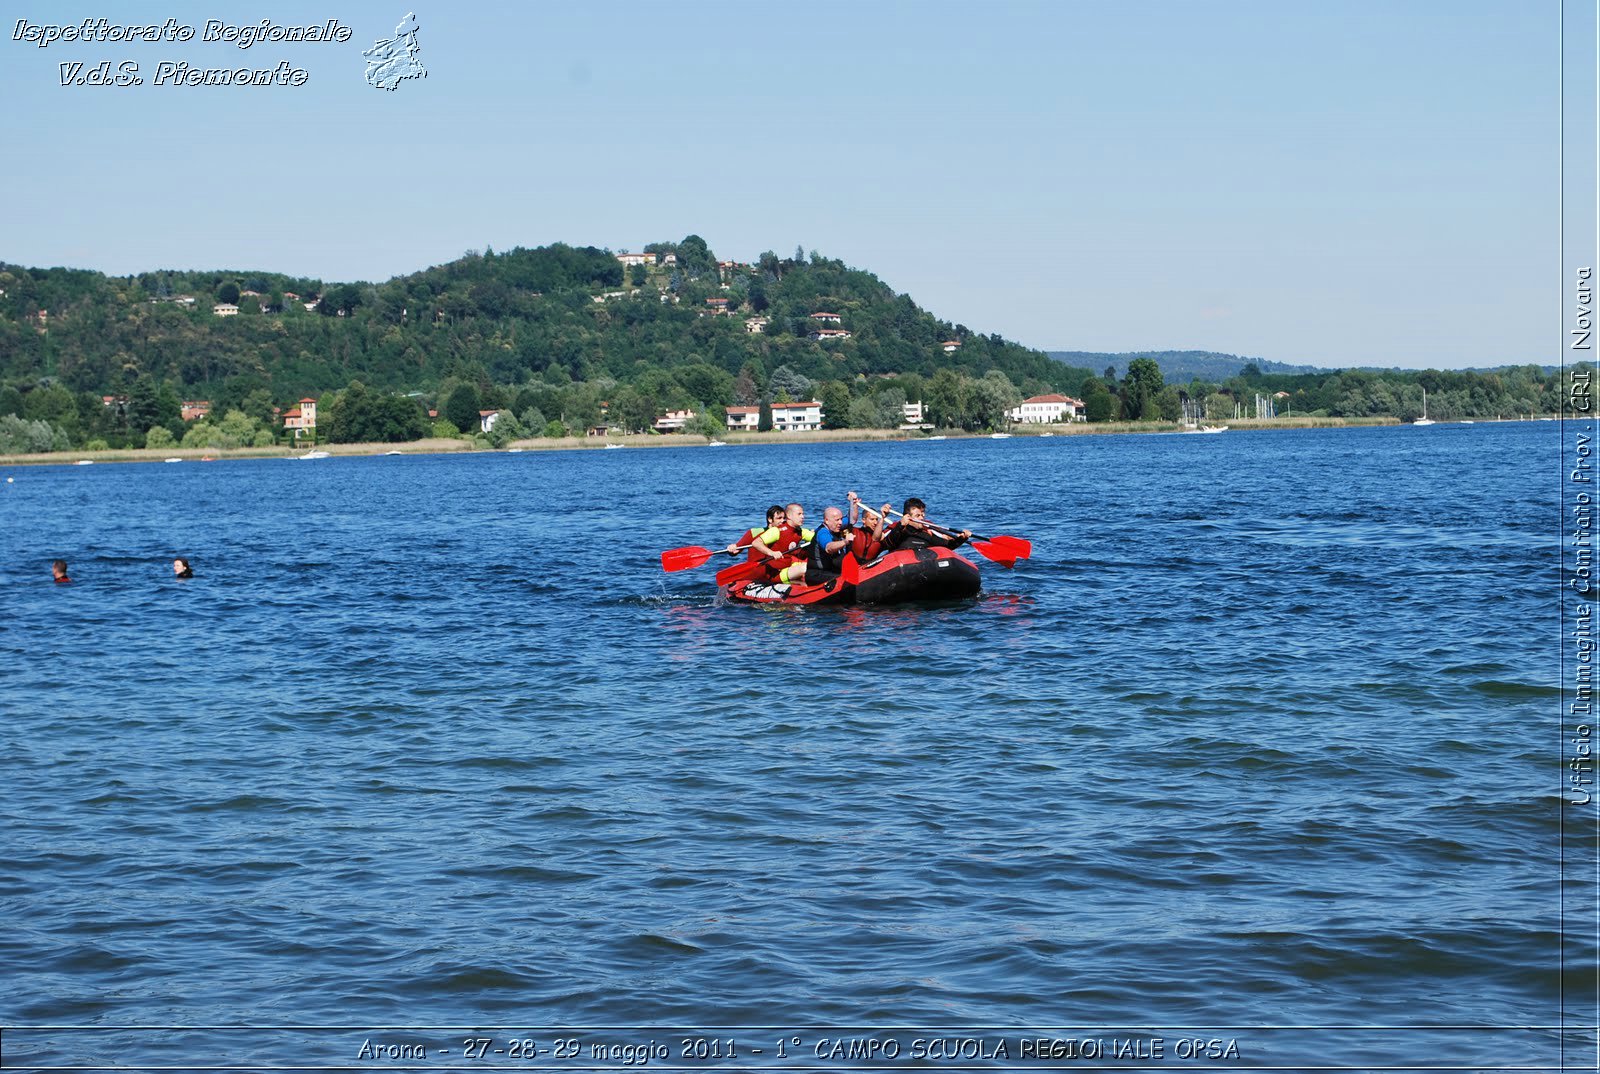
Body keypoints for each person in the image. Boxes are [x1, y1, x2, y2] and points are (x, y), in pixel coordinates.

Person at [880, 497, 971, 552]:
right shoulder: (899, 530)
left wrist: (961, 539)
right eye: (917, 515)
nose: (921, 518)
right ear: (908, 517)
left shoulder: (926, 533)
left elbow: (947, 546)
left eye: (922, 515)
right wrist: (900, 525)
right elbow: (887, 542)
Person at [805, 504, 853, 584]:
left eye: (841, 519)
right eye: (837, 520)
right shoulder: (822, 533)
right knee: (845, 579)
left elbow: (852, 519)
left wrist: (853, 504)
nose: (841, 522)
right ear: (826, 520)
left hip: (832, 571)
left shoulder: (836, 525)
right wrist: (845, 541)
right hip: (817, 574)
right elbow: (829, 547)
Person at [847, 491, 887, 562]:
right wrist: (853, 505)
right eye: (872, 519)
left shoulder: (882, 536)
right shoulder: (854, 532)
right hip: (853, 566)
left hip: (870, 568)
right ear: (863, 520)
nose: (875, 522)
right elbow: (851, 520)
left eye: (876, 519)